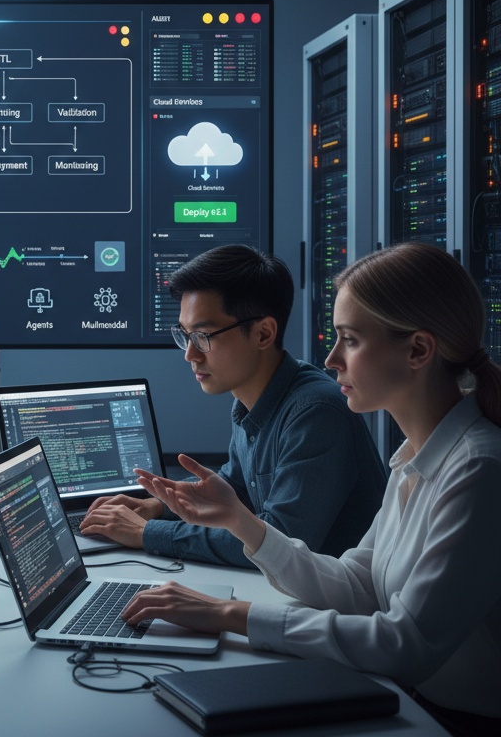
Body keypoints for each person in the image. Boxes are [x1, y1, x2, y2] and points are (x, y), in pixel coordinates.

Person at [121, 242, 501, 735]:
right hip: (408, 700)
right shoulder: (415, 458)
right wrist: (239, 520)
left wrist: (228, 614)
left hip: (453, 722)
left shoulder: (478, 470)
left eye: (349, 340)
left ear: (418, 350)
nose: (330, 359)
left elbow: (405, 644)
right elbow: (358, 585)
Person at [80, 244, 386, 567]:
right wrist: (159, 505)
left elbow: (277, 540)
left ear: (263, 333)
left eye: (203, 336)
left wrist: (147, 533)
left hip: (338, 609)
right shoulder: (247, 401)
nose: (190, 354)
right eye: (185, 335)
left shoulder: (316, 412)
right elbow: (235, 487)